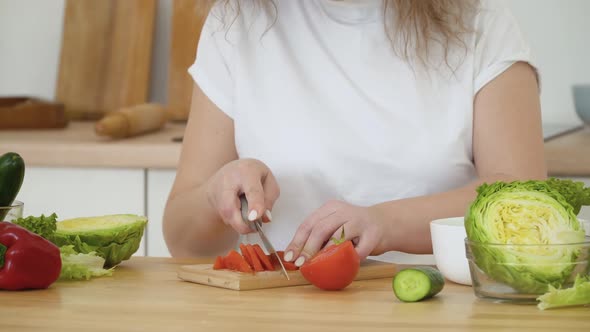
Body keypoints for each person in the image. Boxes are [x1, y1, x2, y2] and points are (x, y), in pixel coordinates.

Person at [162, 0, 547, 266]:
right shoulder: (236, 19)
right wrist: (218, 196)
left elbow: (525, 197)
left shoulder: (478, 17)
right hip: (278, 314)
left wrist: (385, 224)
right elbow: (183, 242)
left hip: (443, 309)